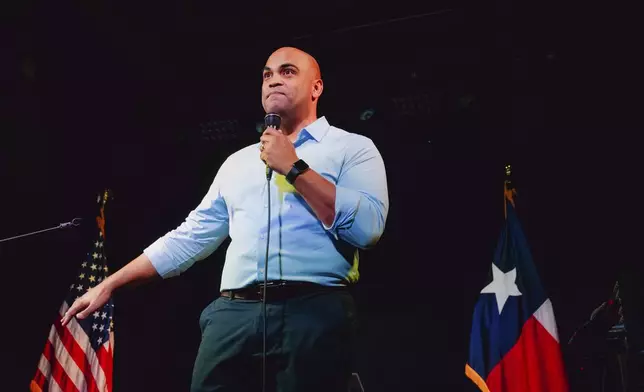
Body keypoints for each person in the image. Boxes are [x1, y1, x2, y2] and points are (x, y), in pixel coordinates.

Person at [61, 46, 389, 392]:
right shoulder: (238, 162)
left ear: (316, 87)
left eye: (288, 72)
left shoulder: (352, 148)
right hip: (233, 316)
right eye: (267, 74)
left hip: (312, 313)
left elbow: (367, 229)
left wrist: (294, 168)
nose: (274, 80)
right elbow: (190, 238)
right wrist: (111, 283)